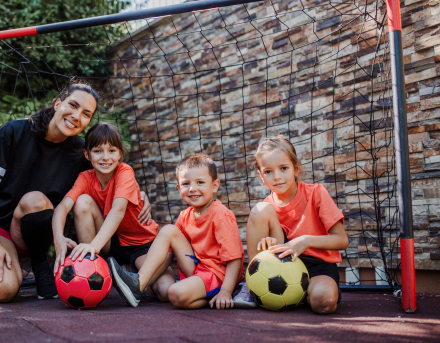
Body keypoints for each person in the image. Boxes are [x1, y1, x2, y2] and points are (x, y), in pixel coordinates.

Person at [0, 82, 153, 302]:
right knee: (3, 291)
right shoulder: (12, 132)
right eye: (72, 105)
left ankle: (39, 260)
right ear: (57, 104)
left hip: (36, 234)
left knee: (36, 201)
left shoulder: (79, 153)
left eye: (86, 114)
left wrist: (139, 194)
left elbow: (113, 174)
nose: (76, 116)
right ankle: (11, 261)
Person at [52, 123, 175, 302]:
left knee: (165, 291)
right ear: (87, 154)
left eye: (111, 150)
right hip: (111, 242)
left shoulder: (125, 171)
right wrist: (58, 238)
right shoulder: (85, 178)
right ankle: (93, 268)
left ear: (120, 154)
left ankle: (128, 272)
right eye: (97, 151)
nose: (105, 157)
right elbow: (62, 208)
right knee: (82, 202)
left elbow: (118, 210)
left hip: (142, 245)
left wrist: (94, 244)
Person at [108, 153, 244, 309]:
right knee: (168, 233)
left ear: (214, 185)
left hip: (218, 275)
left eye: (200, 182)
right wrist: (150, 278)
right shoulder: (184, 216)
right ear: (179, 188)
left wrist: (226, 291)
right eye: (186, 184)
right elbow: (170, 253)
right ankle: (138, 283)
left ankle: (217, 294)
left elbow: (234, 259)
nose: (192, 189)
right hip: (197, 268)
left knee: (174, 293)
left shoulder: (221, 214)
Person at [242, 135, 349, 314]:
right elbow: (275, 246)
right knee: (260, 209)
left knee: (325, 301)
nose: (277, 177)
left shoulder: (316, 193)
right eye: (268, 172)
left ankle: (304, 293)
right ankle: (250, 286)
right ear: (261, 176)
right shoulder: (267, 208)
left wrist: (305, 241)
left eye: (283, 168)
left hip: (318, 265)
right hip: (281, 265)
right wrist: (268, 245)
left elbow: (342, 240)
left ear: (296, 168)